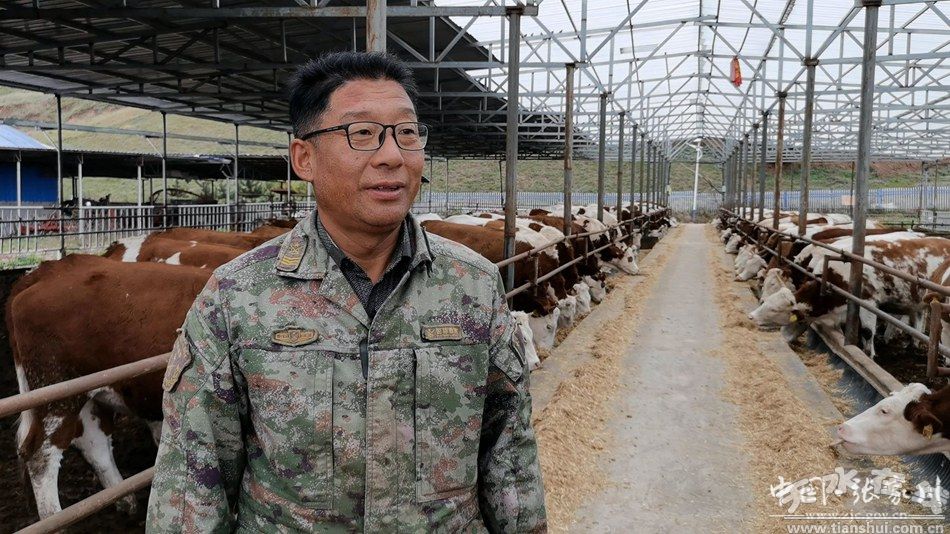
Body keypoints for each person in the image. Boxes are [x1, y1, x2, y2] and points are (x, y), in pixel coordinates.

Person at [146, 51, 547, 533]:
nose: (392, 155)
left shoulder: (473, 284)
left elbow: (510, 456)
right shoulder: (237, 296)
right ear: (305, 158)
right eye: (362, 133)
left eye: (407, 133)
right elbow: (192, 481)